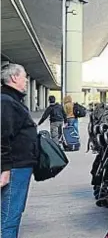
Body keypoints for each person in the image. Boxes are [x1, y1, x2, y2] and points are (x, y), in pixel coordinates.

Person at [1, 63, 38, 238]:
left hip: (18, 166)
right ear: (14, 77)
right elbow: (2, 137)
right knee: (9, 215)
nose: (25, 82)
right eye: (24, 77)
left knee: (11, 212)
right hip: (14, 167)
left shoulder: (10, 100)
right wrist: (5, 169)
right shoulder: (6, 101)